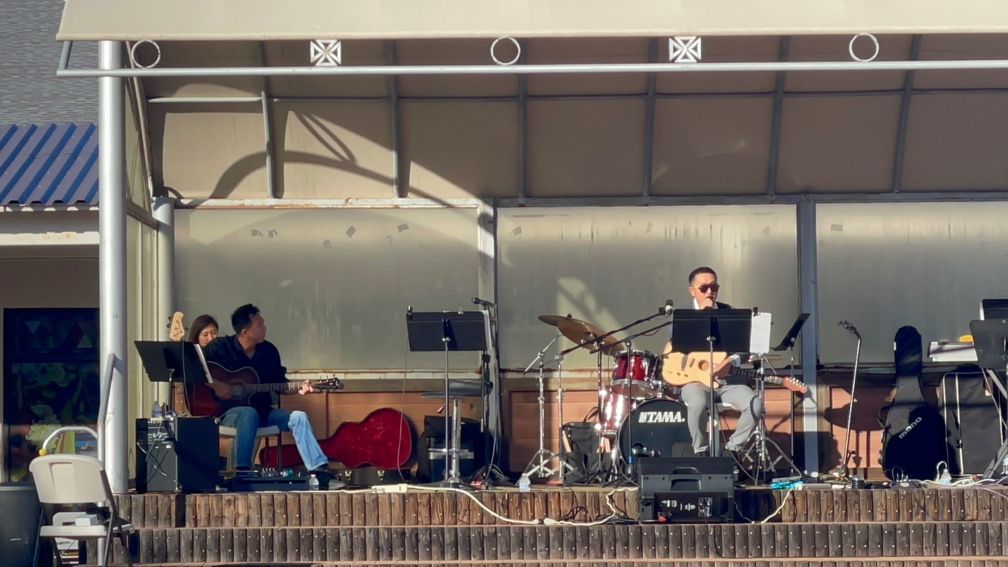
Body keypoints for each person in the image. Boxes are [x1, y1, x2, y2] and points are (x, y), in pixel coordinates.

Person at [203, 304, 334, 486]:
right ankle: (242, 474)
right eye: (260, 324)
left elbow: (281, 384)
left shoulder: (268, 351)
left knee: (299, 417)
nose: (265, 328)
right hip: (225, 413)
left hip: (263, 412)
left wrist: (300, 387)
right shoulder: (219, 348)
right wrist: (216, 385)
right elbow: (191, 367)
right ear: (245, 331)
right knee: (248, 413)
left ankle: (319, 471)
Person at [663, 266, 763, 457]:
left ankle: (732, 451)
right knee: (697, 403)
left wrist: (731, 361)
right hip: (695, 381)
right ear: (692, 290)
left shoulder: (728, 312)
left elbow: (745, 348)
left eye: (714, 287)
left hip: (728, 381)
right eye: (704, 288)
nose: (710, 292)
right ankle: (700, 452)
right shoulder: (681, 315)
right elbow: (674, 348)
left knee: (755, 405)